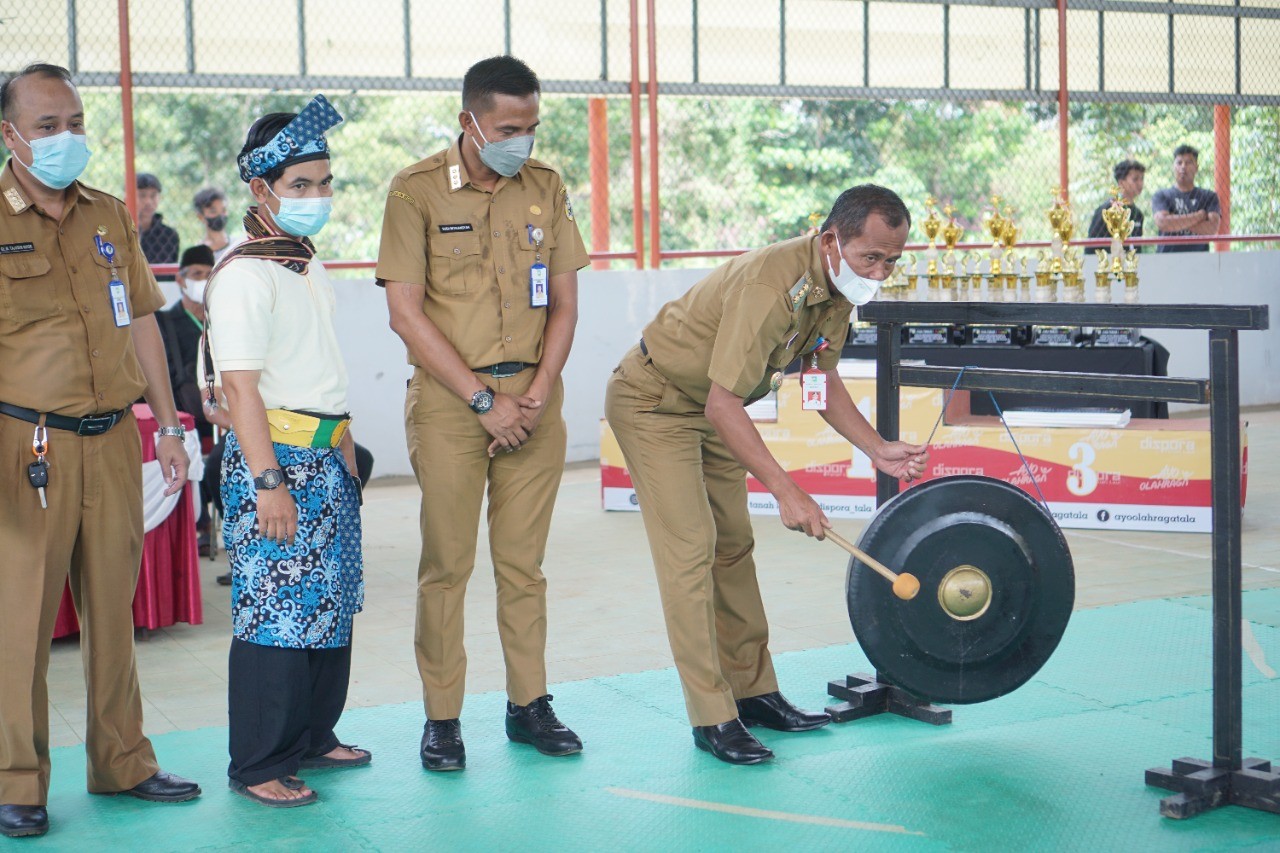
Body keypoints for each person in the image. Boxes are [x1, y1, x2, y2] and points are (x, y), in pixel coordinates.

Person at [604, 185, 929, 766]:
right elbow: (724, 405)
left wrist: (877, 448)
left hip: (710, 407)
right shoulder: (771, 286)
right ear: (833, 239)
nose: (880, 272)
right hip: (656, 401)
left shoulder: (836, 290)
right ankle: (713, 716)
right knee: (691, 551)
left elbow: (820, 381)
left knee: (733, 547)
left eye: (892, 260)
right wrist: (787, 491)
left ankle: (755, 694)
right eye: (871, 257)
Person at [0, 62, 200, 838]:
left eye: (76, 123)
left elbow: (143, 320)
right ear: (9, 135)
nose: (65, 139)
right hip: (27, 446)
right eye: (47, 127)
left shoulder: (111, 215)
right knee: (19, 621)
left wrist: (171, 424)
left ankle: (122, 760)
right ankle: (17, 779)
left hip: (116, 439)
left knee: (113, 612)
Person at [377, 55, 589, 772]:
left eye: (531, 126)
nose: (522, 140)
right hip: (450, 406)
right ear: (469, 120)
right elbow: (405, 314)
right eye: (508, 127)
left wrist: (538, 389)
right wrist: (481, 400)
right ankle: (442, 716)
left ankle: (529, 704)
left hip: (531, 402)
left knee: (523, 566)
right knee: (447, 564)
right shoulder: (415, 192)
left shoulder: (547, 187)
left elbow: (565, 301)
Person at [204, 95, 368, 808]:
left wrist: (349, 447)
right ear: (260, 189)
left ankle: (312, 735)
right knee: (276, 613)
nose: (318, 197)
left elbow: (322, 367)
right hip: (278, 464)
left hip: (328, 458)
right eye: (302, 185)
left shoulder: (304, 263)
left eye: (325, 182)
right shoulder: (244, 274)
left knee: (329, 604)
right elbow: (240, 391)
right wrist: (268, 480)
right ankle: (260, 761)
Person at [156, 245, 219, 555]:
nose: (203, 281)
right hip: (187, 418)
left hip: (222, 413)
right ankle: (202, 522)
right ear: (180, 280)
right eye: (196, 275)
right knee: (191, 441)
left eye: (209, 275)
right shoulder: (164, 323)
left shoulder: (224, 317)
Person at [1151, 144, 1221, 253]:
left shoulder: (1208, 196)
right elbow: (1162, 223)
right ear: (1173, 166)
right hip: (1166, 260)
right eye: (1179, 163)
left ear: (1196, 167)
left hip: (1198, 260)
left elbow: (1211, 229)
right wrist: (1199, 216)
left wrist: (1174, 221)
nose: (1183, 167)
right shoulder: (1161, 195)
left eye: (1188, 163)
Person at [1086, 159, 1145, 242]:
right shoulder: (1107, 210)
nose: (1140, 183)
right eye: (1135, 179)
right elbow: (1091, 245)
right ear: (1121, 183)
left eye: (1142, 179)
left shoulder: (1138, 214)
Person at [135, 172, 179, 280]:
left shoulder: (170, 236)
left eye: (153, 195)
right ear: (128, 196)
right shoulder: (120, 230)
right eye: (142, 195)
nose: (148, 201)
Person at [192, 186, 235, 262]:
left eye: (223, 210)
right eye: (213, 211)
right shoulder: (197, 254)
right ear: (200, 217)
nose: (220, 215)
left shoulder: (236, 245)